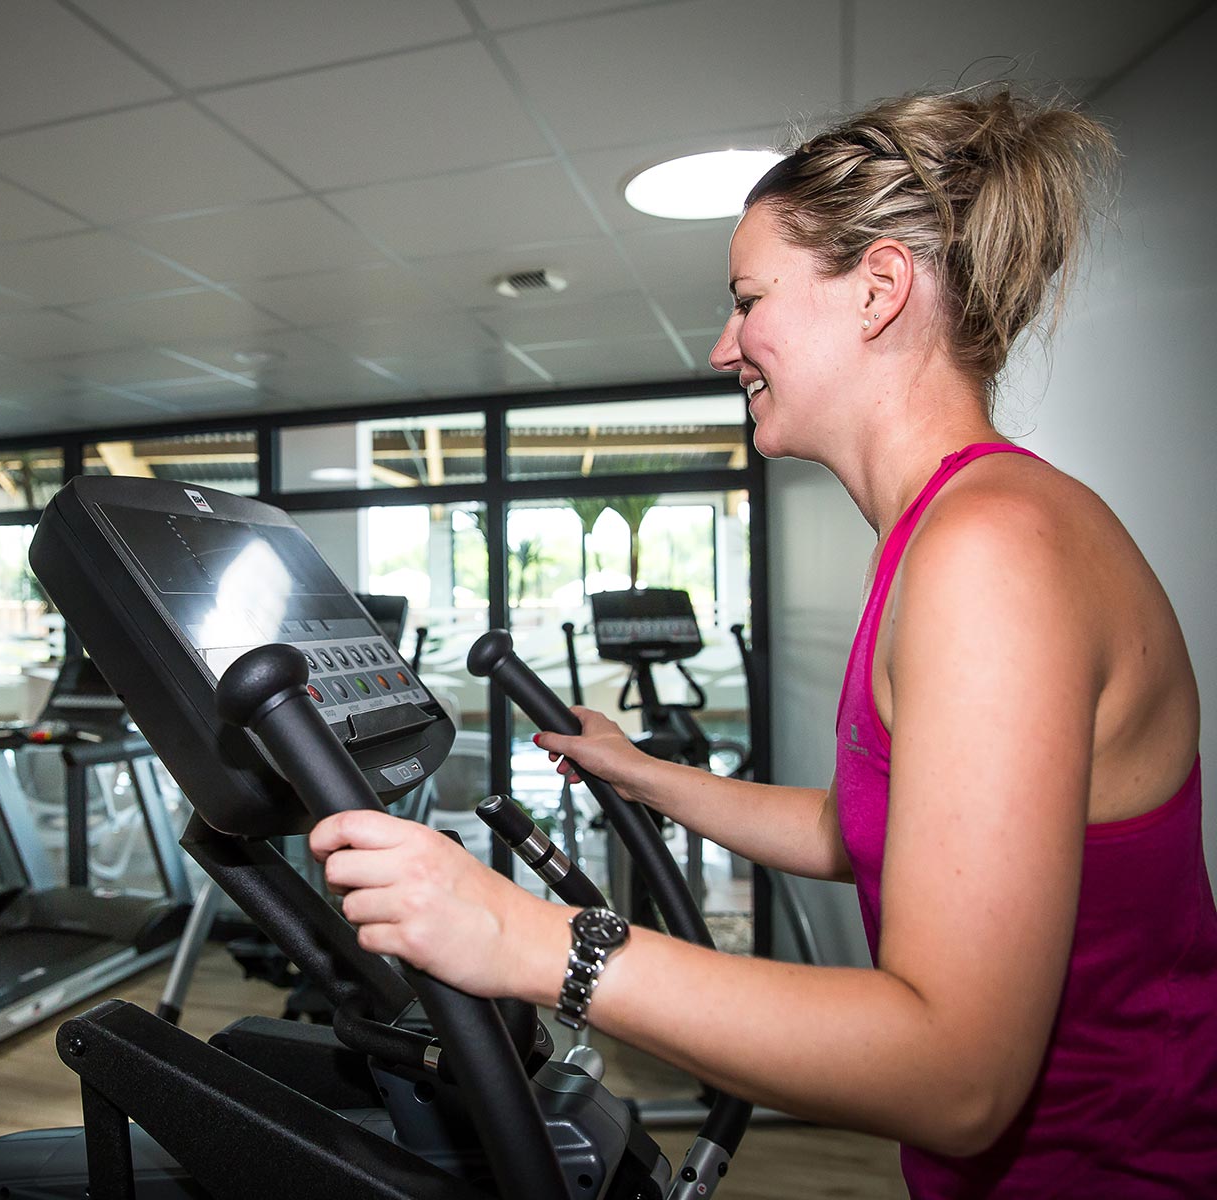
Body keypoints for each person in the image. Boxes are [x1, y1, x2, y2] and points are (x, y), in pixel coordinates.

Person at [310, 86, 1216, 1196]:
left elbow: (958, 1075)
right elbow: (858, 832)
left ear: (879, 289)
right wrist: (643, 774)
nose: (721, 346)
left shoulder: (991, 551)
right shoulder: (945, 533)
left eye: (748, 300)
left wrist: (525, 938)